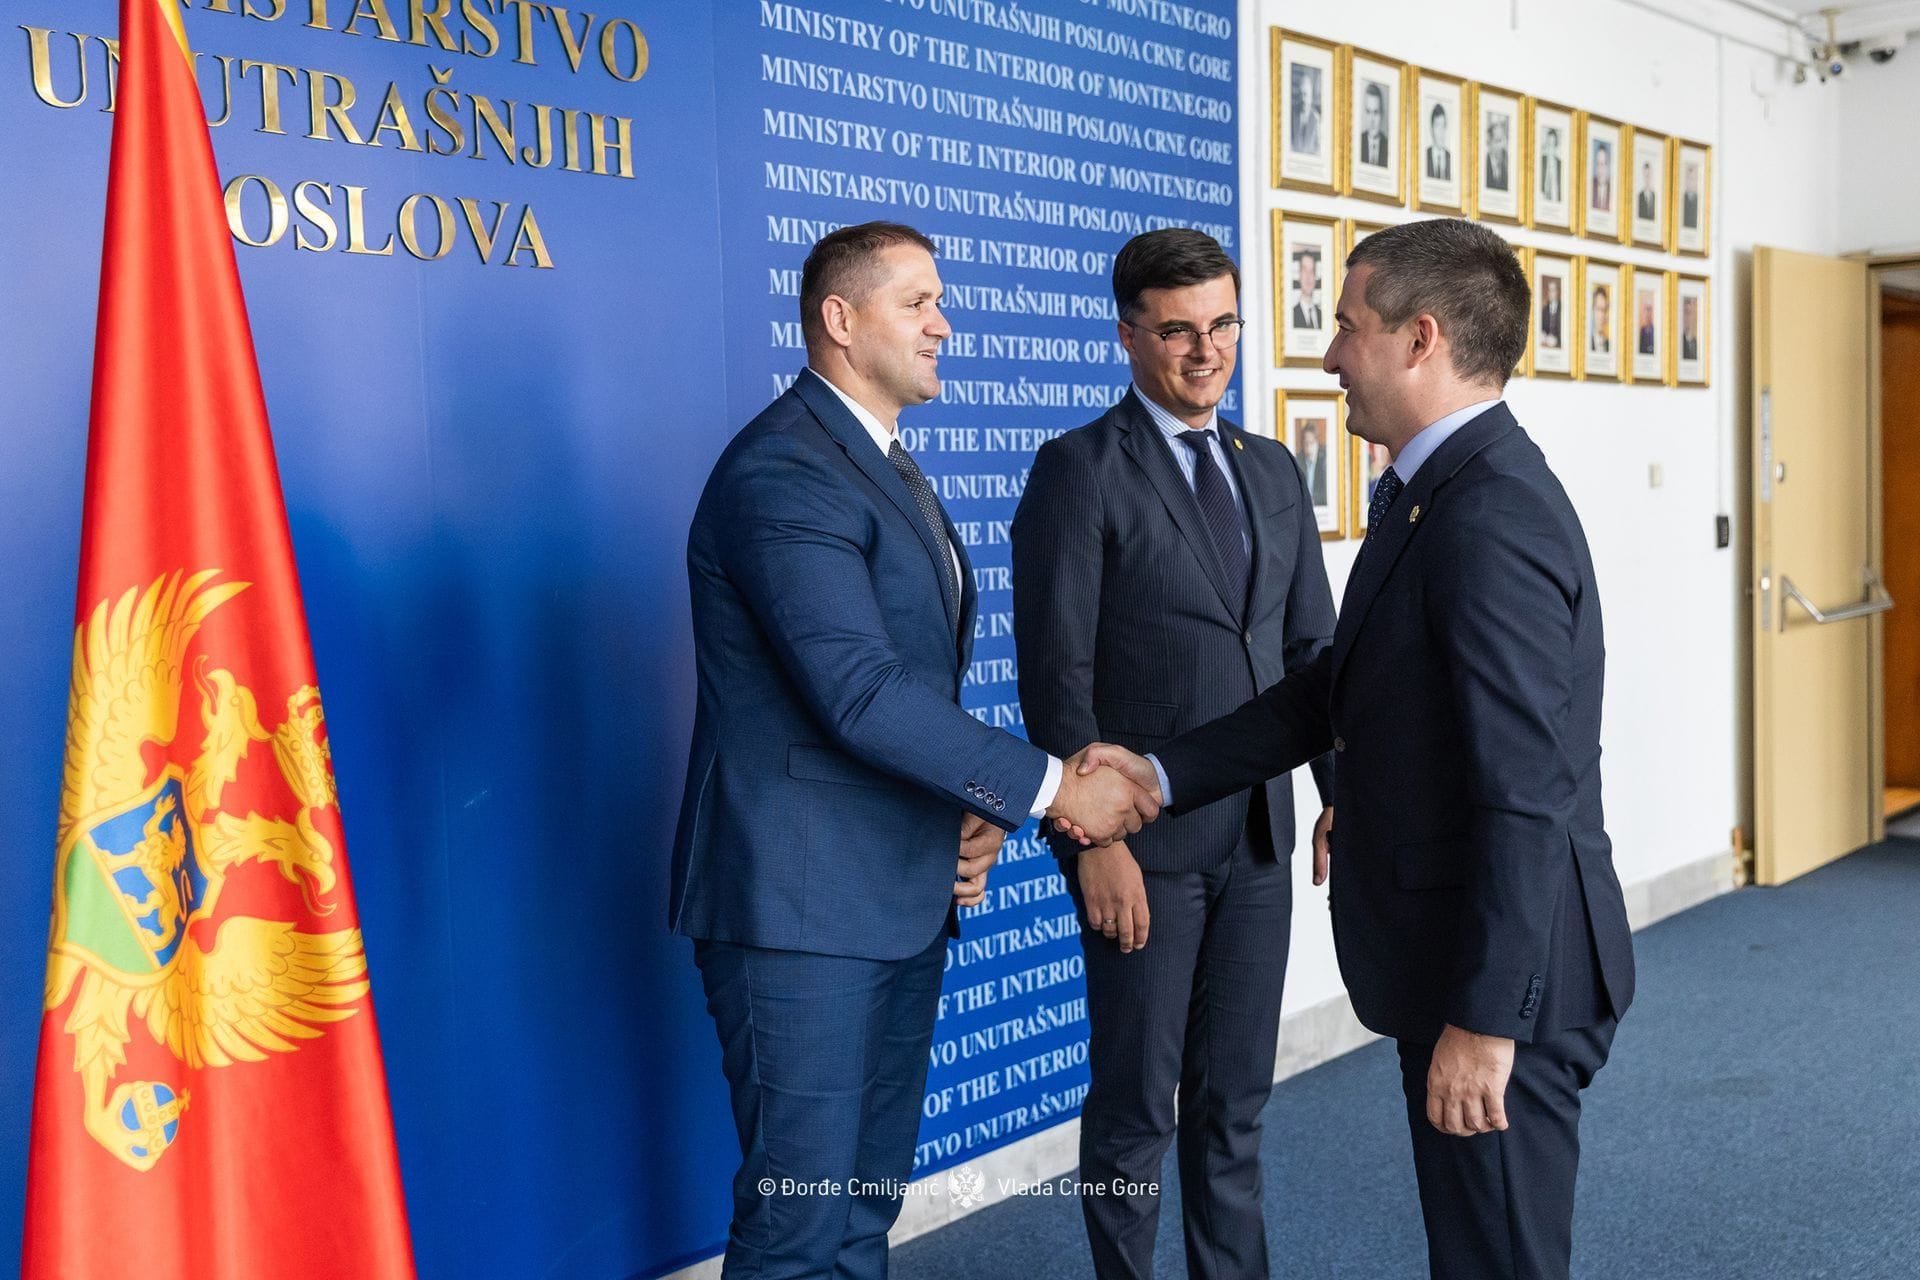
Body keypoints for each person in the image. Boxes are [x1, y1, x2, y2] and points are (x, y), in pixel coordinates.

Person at [1069, 218, 1636, 1280]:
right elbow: (1337, 688)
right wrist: (1158, 771)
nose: (1326, 353)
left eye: (1345, 326)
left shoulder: (1489, 512)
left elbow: (1526, 793)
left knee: (1500, 1260)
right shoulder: (1433, 490)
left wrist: (1482, 1014)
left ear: (1419, 338)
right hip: (1462, 956)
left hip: (1504, 981)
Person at [670, 221, 1157, 1280]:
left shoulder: (882, 464)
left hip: (892, 892)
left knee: (859, 1207)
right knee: (800, 1223)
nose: (944, 322)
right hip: (796, 910)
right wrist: (1045, 783)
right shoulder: (785, 471)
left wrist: (963, 803)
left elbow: (898, 693)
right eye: (917, 301)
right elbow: (856, 689)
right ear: (839, 321)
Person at [1013, 227, 1336, 1280]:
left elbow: (1313, 656)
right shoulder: (1079, 471)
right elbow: (1056, 677)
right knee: (1135, 1107)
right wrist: (1088, 842)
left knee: (1237, 1102)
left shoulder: (1275, 469)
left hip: (1259, 841)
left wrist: (1345, 793)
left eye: (1225, 325)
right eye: (1179, 331)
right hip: (1139, 850)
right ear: (1128, 334)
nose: (1208, 352)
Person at [1292, 66, 1323, 155]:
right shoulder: (1292, 115)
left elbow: (1318, 150)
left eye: (1305, 94)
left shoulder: (1316, 119)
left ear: (1311, 97)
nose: (1303, 99)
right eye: (1300, 94)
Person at [1358, 82, 1390, 168]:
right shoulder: (1357, 142)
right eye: (1368, 112)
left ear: (1382, 114)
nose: (1372, 120)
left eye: (1376, 112)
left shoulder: (1388, 146)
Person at [1298, 420, 1328, 505]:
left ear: (1317, 443)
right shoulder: (1298, 459)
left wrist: (1314, 499)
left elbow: (1326, 493)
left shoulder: (1324, 462)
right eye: (1305, 443)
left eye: (1311, 443)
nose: (1308, 447)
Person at [1292, 250, 1323, 331]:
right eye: (1304, 270)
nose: (1308, 276)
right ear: (1299, 275)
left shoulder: (1322, 315)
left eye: (1311, 271)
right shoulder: (1292, 315)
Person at [1424, 103, 1453, 182]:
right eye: (1437, 126)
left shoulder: (1450, 158)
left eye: (1443, 126)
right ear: (1431, 129)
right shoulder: (1424, 156)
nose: (1441, 132)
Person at [1483, 114, 1510, 192]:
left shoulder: (1507, 162)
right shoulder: (1483, 163)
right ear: (1489, 143)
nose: (1501, 146)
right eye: (1497, 141)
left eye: (1502, 141)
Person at [1539, 127, 1564, 204]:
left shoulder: (1560, 164)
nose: (1551, 148)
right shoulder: (1541, 161)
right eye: (1549, 144)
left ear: (1555, 145)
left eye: (1552, 144)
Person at [1539, 277, 1562, 349]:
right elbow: (1543, 327)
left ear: (1557, 292)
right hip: (1547, 343)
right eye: (1549, 290)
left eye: (1553, 290)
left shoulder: (1562, 308)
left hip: (1558, 344)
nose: (1550, 293)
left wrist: (1556, 340)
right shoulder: (1545, 309)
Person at [1590, 142, 1613, 214]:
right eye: (1598, 164)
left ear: (1608, 166)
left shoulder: (1613, 189)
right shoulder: (1590, 186)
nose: (1600, 170)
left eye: (1602, 164)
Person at [1590, 286, 1611, 354]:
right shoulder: (1586, 342)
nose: (1602, 315)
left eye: (1605, 310)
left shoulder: (1610, 345)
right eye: (1598, 309)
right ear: (1592, 310)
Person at [1681, 297, 1699, 361]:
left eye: (1690, 313)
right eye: (1686, 312)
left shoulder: (1695, 342)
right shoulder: (1678, 341)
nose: (1688, 318)